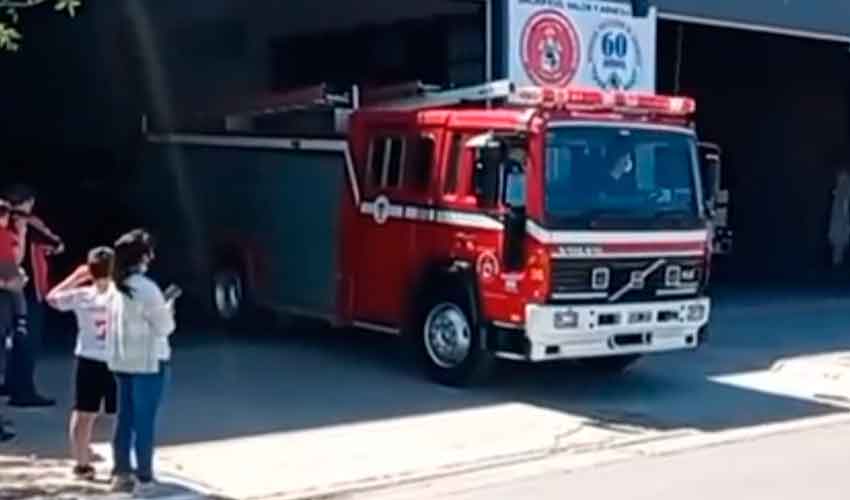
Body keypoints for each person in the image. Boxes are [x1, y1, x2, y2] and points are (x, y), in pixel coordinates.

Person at [107, 229, 176, 495]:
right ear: (143, 256)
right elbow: (164, 328)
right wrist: (167, 308)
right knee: (145, 421)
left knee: (125, 419)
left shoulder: (117, 286)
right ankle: (144, 477)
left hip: (122, 360)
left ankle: (121, 472)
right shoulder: (147, 289)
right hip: (149, 361)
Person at [46, 247, 121, 480]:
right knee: (122, 412)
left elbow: (51, 298)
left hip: (88, 358)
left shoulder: (83, 295)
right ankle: (124, 463)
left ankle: (81, 463)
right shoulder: (119, 296)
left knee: (84, 413)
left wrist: (75, 278)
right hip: (116, 358)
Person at [3, 184, 64, 407]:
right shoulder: (30, 223)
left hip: (8, 290)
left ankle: (11, 384)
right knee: (27, 342)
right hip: (27, 291)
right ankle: (23, 392)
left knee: (11, 340)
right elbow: (56, 243)